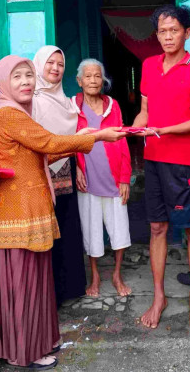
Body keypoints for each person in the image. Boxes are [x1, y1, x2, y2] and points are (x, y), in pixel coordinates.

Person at [0, 55, 126, 370]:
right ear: (4, 83)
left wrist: (82, 142)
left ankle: (31, 344)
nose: (25, 82)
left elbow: (40, 155)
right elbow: (48, 142)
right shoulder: (9, 114)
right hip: (18, 213)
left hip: (26, 210)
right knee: (25, 286)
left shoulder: (13, 112)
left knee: (33, 283)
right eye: (18, 77)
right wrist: (97, 136)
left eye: (28, 76)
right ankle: (25, 352)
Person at [133, 4, 190, 328]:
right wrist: (136, 128)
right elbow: (145, 111)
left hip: (183, 163)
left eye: (173, 30)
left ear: (186, 32)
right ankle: (159, 295)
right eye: (162, 31)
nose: (167, 36)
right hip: (152, 160)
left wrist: (162, 130)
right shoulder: (149, 65)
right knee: (157, 228)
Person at [32, 45, 87, 307]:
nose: (55, 68)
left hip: (66, 168)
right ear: (39, 65)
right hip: (42, 172)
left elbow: (73, 141)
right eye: (50, 63)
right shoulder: (31, 99)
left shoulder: (66, 101)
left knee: (67, 227)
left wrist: (76, 167)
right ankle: (50, 294)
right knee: (48, 232)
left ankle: (71, 287)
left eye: (60, 64)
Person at [75, 58, 132, 297]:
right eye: (87, 76)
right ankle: (95, 276)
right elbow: (68, 140)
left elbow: (122, 139)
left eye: (97, 76)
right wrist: (76, 167)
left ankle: (117, 275)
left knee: (119, 229)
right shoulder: (72, 106)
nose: (92, 80)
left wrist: (125, 177)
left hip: (113, 176)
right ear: (79, 81)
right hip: (87, 178)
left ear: (103, 80)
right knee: (91, 230)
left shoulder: (113, 105)